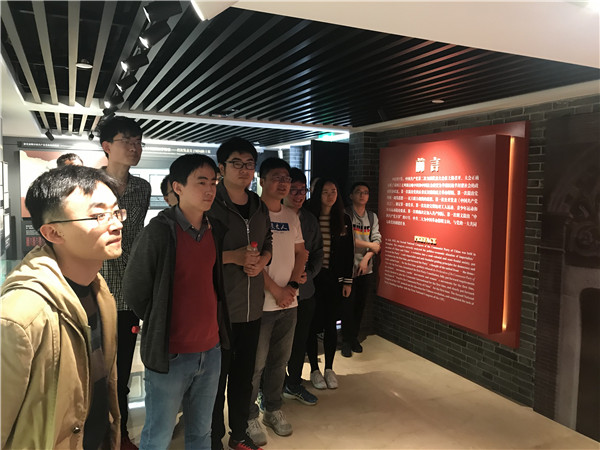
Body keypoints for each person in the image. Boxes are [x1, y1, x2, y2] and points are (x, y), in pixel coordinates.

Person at [1, 165, 123, 449]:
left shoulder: (99, 291)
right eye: (98, 215)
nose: (116, 224)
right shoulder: (19, 318)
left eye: (116, 212)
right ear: (53, 232)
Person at [122, 154, 229, 450]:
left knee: (201, 433)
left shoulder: (215, 230)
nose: (210, 190)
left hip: (211, 349)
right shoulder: (159, 231)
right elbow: (135, 288)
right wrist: (159, 319)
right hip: (171, 353)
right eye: (201, 182)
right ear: (177, 187)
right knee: (158, 435)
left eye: (213, 183)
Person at [209, 137, 272, 450]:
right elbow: (194, 252)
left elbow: (269, 243)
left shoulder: (259, 205)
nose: (244, 169)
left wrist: (262, 261)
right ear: (221, 168)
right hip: (219, 309)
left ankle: (239, 433)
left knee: (244, 377)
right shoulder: (210, 204)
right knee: (214, 380)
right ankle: (212, 438)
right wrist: (232, 257)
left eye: (249, 164)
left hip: (252, 308)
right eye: (236, 163)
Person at [99, 115, 151, 450]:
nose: (134, 147)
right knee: (94, 370)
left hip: (129, 292)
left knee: (122, 369)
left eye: (138, 141)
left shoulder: (142, 188)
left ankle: (120, 435)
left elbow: (135, 238)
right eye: (126, 141)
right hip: (94, 289)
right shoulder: (88, 184)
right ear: (107, 146)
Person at [247, 158, 307, 445]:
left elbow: (302, 253)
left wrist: (292, 287)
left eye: (287, 178)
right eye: (276, 177)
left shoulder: (291, 215)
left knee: (278, 361)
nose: (283, 183)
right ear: (261, 180)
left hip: (289, 303)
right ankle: (248, 415)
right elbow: (253, 261)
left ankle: (273, 408)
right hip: (261, 304)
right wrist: (276, 290)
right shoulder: (253, 214)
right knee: (254, 365)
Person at [305, 178, 354, 390]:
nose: (330, 195)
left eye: (333, 191)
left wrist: (347, 281)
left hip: (334, 279)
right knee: (311, 324)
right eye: (325, 191)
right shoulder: (309, 216)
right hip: (313, 278)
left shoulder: (343, 218)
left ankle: (329, 368)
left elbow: (349, 252)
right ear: (318, 194)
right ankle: (314, 369)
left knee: (331, 324)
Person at [282, 168, 323, 406]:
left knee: (300, 341)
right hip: (278, 292)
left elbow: (318, 252)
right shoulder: (270, 215)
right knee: (276, 344)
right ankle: (271, 386)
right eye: (294, 190)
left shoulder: (309, 219)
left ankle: (294, 383)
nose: (299, 195)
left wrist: (310, 273)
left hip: (305, 292)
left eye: (303, 190)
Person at [342, 182, 382, 357]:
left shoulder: (372, 217)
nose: (362, 195)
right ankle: (345, 339)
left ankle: (354, 338)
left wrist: (366, 259)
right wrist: (370, 245)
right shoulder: (345, 214)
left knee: (360, 305)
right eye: (358, 192)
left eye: (365, 192)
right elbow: (347, 239)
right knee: (347, 306)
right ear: (351, 195)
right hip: (347, 268)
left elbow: (377, 242)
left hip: (365, 269)